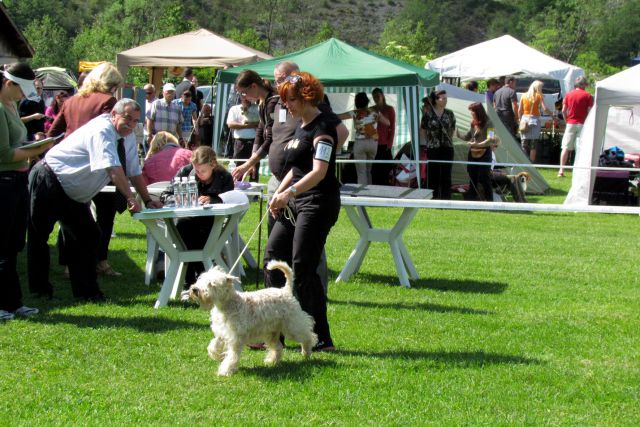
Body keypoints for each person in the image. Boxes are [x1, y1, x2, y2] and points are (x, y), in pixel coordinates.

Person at [28, 99, 162, 302]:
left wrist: (147, 199)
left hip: (74, 193)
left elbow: (134, 171)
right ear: (114, 115)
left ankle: (87, 292)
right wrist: (129, 197)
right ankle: (40, 290)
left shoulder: (126, 137)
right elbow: (113, 169)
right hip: (49, 179)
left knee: (88, 235)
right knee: (39, 236)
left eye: (135, 121)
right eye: (127, 118)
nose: (131, 125)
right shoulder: (102, 130)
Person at [265, 71, 340, 352]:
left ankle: (321, 337)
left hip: (318, 202)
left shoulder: (324, 127)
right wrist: (279, 194)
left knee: (303, 268)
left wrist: (289, 194)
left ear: (307, 97)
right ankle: (274, 333)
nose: (287, 107)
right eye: (285, 101)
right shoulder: (301, 126)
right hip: (296, 201)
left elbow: (319, 172)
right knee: (273, 259)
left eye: (292, 100)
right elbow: (296, 170)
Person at [46, 62, 125, 278]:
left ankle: (68, 265)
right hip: (97, 165)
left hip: (70, 166)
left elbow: (53, 132)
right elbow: (112, 132)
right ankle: (100, 260)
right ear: (109, 84)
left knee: (69, 218)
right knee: (105, 215)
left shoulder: (71, 101)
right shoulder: (108, 101)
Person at [0, 63, 53, 320]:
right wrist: (36, 149)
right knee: (2, 246)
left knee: (13, 246)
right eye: (22, 90)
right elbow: (3, 154)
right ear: (9, 84)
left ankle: (13, 302)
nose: (25, 96)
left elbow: (14, 142)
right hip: (3, 182)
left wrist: (33, 142)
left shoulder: (11, 106)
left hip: (17, 181)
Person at [161, 146, 233, 285]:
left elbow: (230, 200)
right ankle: (199, 274)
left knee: (193, 234)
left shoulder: (224, 177)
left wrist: (214, 200)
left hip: (213, 222)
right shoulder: (186, 172)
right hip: (187, 219)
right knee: (183, 226)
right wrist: (185, 199)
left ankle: (191, 280)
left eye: (203, 171)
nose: (199, 174)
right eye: (196, 170)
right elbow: (166, 195)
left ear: (213, 164)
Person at [337, 92, 390, 185]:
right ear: (367, 101)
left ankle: (363, 193)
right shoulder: (375, 112)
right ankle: (370, 192)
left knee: (361, 172)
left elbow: (338, 117)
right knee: (369, 170)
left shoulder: (355, 112)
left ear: (356, 102)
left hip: (360, 143)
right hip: (373, 143)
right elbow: (387, 123)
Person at [420, 90, 456, 199]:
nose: (445, 100)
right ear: (436, 100)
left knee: (446, 175)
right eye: (443, 98)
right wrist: (429, 142)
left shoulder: (450, 113)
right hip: (433, 148)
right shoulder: (428, 114)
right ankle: (433, 198)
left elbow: (453, 128)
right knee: (433, 175)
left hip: (447, 148)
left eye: (446, 98)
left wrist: (449, 138)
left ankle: (446, 199)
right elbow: (423, 130)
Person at [456, 102, 495, 201]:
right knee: (472, 177)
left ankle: (490, 200)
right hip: (473, 153)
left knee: (484, 178)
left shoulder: (489, 122)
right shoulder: (473, 123)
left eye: (472, 111)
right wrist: (457, 132)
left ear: (478, 111)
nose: (471, 113)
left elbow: (490, 139)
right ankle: (472, 199)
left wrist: (477, 144)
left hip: (485, 153)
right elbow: (466, 137)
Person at [558, 76, 593, 177]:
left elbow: (563, 111)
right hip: (583, 124)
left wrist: (567, 121)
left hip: (571, 123)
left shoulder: (569, 95)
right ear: (583, 85)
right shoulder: (588, 96)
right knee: (580, 148)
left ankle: (561, 170)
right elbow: (590, 112)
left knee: (565, 147)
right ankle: (577, 170)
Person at [227, 96, 260, 179]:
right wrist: (250, 125)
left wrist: (244, 125)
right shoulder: (234, 109)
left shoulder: (257, 108)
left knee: (254, 166)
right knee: (239, 165)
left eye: (247, 97)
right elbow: (231, 124)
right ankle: (237, 185)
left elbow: (261, 124)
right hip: (240, 142)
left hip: (254, 141)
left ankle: (254, 188)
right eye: (243, 97)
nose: (245, 99)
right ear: (240, 98)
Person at [518, 80, 551, 162]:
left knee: (524, 143)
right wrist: (553, 115)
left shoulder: (524, 95)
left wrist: (519, 120)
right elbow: (545, 109)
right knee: (533, 144)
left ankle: (524, 162)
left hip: (524, 119)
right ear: (538, 88)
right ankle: (531, 163)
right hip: (535, 120)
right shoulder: (539, 96)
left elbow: (519, 110)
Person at [371, 88, 395, 185]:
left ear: (382, 95)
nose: (376, 98)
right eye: (374, 96)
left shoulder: (390, 109)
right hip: (373, 144)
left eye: (378, 95)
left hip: (384, 145)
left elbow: (392, 127)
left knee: (385, 170)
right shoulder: (372, 109)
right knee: (374, 170)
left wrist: (389, 144)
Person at [141, 83, 156, 156]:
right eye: (145, 93)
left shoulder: (158, 103)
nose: (146, 95)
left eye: (149, 93)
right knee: (147, 154)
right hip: (145, 132)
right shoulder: (142, 102)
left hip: (155, 133)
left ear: (154, 92)